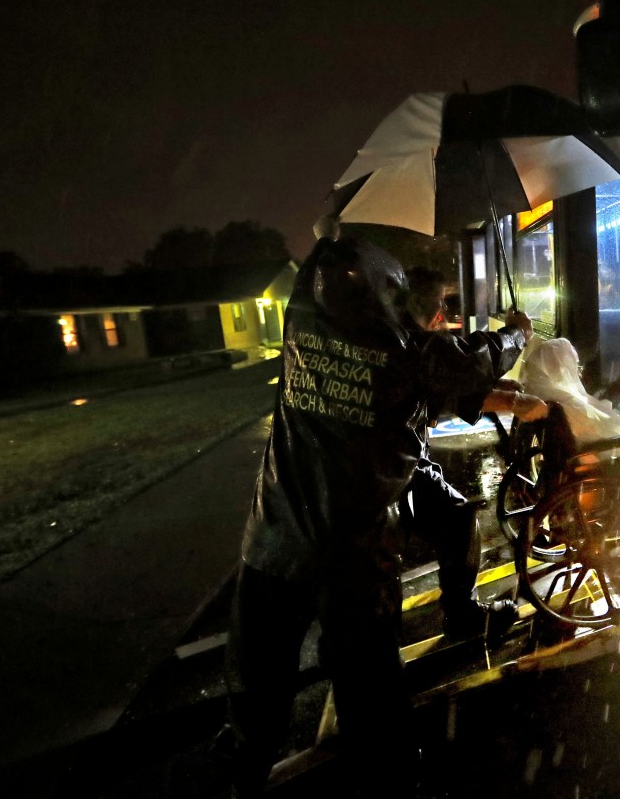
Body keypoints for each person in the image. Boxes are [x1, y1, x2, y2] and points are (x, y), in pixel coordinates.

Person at [222, 232, 545, 797]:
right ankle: (389, 773)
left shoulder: (304, 325)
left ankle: (244, 767)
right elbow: (464, 368)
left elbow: (448, 377)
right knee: (369, 691)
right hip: (355, 540)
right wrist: (516, 333)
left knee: (259, 681)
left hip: (278, 529)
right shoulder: (404, 352)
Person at [398, 266, 545, 640]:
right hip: (390, 469)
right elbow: (463, 367)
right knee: (459, 519)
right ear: (433, 313)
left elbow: (447, 389)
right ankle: (461, 617)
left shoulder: (380, 331)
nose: (444, 319)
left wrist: (506, 394)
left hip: (379, 464)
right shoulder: (406, 339)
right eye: (442, 309)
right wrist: (518, 334)